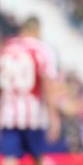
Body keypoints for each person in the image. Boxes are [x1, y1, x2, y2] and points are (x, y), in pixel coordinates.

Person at [0, 17, 60, 165]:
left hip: (9, 115)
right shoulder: (41, 49)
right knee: (38, 157)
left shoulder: (7, 48)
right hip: (34, 115)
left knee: (10, 158)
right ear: (37, 30)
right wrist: (54, 118)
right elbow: (48, 85)